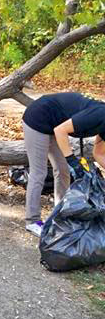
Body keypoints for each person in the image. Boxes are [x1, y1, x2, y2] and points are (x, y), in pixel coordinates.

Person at [22, 93, 105, 236]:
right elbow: (60, 131)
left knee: (63, 170)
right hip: (37, 118)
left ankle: (60, 212)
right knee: (39, 172)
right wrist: (72, 159)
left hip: (55, 124)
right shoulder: (100, 115)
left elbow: (98, 153)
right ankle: (32, 221)